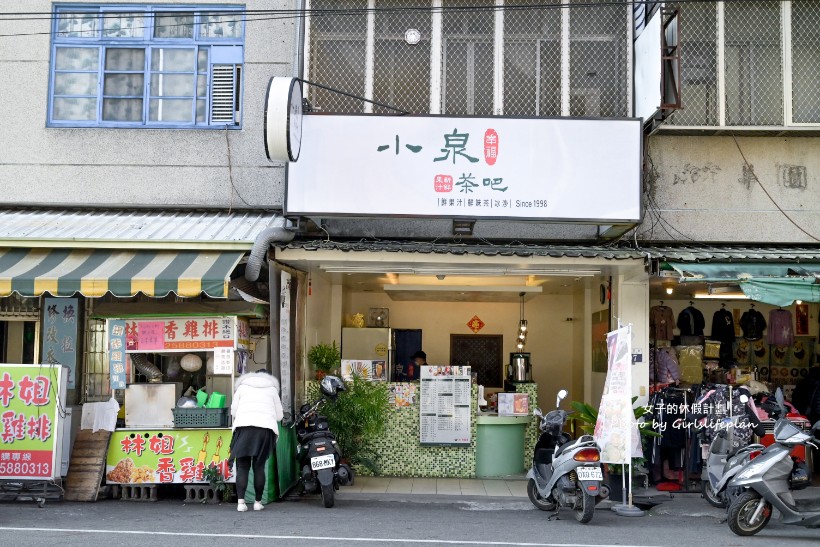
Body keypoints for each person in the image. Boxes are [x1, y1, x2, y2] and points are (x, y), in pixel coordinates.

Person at [229, 369, 284, 512]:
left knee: (242, 467)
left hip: (243, 428)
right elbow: (279, 416)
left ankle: (241, 503)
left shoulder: (242, 387)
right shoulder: (272, 390)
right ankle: (257, 503)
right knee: (259, 467)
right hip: (264, 430)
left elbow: (233, 412)